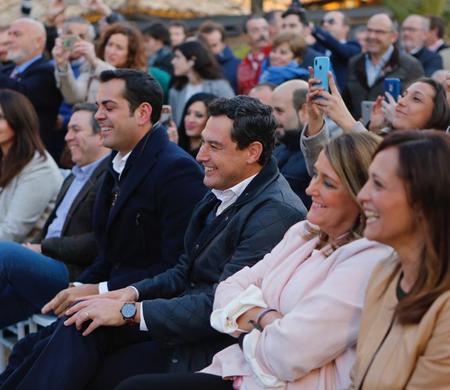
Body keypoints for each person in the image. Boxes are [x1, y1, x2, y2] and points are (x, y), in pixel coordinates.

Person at [0, 96, 307, 389]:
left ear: (252, 152)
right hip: (175, 324)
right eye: (202, 143)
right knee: (76, 325)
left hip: (208, 346)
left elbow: (224, 304)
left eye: (214, 146)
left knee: (93, 362)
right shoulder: (224, 188)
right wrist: (125, 295)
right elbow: (182, 271)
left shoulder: (275, 212)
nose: (200, 155)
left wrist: (131, 312)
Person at [116, 131, 393, 390]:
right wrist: (270, 320)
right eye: (316, 175)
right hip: (239, 368)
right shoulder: (304, 233)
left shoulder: (367, 258)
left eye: (328, 183)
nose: (310, 189)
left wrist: (251, 317)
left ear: (363, 195)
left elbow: (289, 353)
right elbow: (228, 288)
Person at [351, 130, 450, 389]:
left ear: (423, 202)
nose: (362, 195)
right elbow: (357, 376)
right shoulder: (386, 273)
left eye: (378, 184)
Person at [0, 103, 110, 328]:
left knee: (4, 252)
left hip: (73, 273)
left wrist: (43, 247)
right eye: (68, 130)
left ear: (101, 136)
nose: (68, 137)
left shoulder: (110, 178)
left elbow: (99, 241)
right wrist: (37, 246)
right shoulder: (73, 177)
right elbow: (51, 226)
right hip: (44, 266)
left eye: (76, 130)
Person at [0, 89, 62, 243]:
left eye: (0, 117)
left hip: (21, 255)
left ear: (18, 120)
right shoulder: (5, 157)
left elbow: (12, 233)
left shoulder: (40, 168)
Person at [306, 72, 450, 139]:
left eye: (416, 99)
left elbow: (378, 162)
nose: (400, 101)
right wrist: (315, 119)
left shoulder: (432, 156)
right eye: (404, 94)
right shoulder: (386, 136)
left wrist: (347, 121)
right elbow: (320, 169)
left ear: (436, 114)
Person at [0, 18, 63, 161]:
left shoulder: (48, 71)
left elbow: (19, 94)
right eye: (9, 34)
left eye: (16, 35)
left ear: (38, 41)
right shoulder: (7, 70)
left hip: (28, 157)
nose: (9, 39)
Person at [343, 13, 424, 119]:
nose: (372, 36)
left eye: (379, 32)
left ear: (393, 36)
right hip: (358, 132)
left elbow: (417, 106)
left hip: (392, 133)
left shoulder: (411, 65)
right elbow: (348, 102)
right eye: (369, 30)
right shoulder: (355, 62)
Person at [169, 40, 234, 126]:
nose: (173, 62)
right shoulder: (176, 91)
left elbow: (233, 116)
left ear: (192, 60)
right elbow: (174, 123)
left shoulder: (220, 87)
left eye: (178, 57)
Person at [270, 80, 311, 207]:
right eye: (271, 111)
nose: (272, 118)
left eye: (279, 111)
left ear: (305, 111)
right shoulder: (277, 151)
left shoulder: (320, 158)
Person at [311, 10, 361, 91]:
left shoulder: (354, 46)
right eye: (322, 22)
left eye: (331, 22)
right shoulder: (315, 47)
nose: (325, 24)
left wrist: (314, 30)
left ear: (345, 27)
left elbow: (340, 49)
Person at [198, 21, 241, 93]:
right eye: (206, 46)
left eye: (214, 45)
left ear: (223, 43)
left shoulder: (238, 65)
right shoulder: (198, 66)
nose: (209, 50)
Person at [237, 16, 272, 95]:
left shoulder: (278, 57)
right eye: (255, 30)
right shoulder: (243, 63)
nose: (262, 34)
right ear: (245, 36)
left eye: (265, 29)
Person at [175, 92, 216, 158]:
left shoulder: (212, 156)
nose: (190, 120)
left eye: (198, 115)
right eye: (188, 113)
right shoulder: (174, 142)